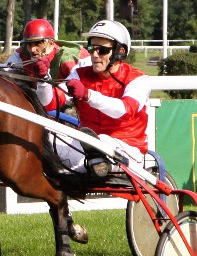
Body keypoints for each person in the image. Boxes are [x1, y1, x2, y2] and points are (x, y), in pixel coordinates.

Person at [36, 19, 149, 175]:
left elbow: (124, 110)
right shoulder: (80, 72)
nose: (94, 55)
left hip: (128, 149)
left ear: (120, 51)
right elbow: (50, 104)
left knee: (101, 141)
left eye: (102, 50)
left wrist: (88, 95)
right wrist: (43, 80)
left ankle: (88, 167)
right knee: (44, 137)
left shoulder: (138, 79)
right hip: (88, 146)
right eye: (91, 48)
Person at [5, 18, 90, 111]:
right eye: (29, 44)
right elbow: (2, 72)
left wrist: (43, 78)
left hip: (71, 103)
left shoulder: (68, 60)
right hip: (43, 101)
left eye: (38, 43)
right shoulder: (22, 53)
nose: (33, 49)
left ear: (51, 42)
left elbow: (50, 103)